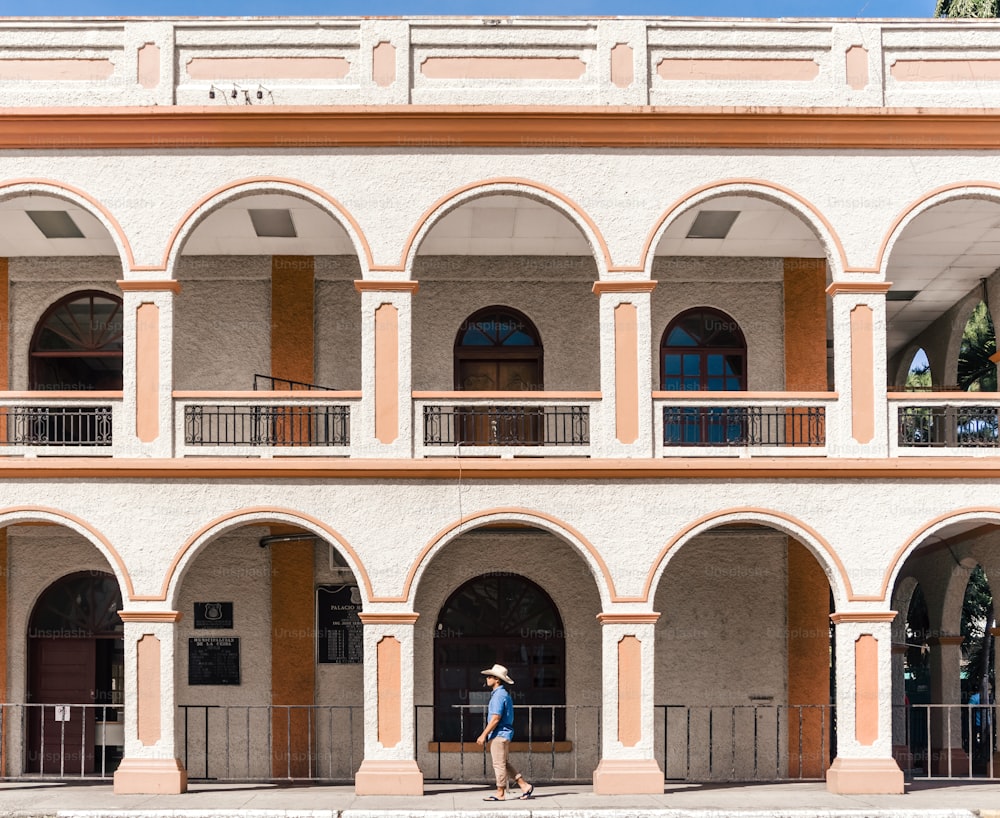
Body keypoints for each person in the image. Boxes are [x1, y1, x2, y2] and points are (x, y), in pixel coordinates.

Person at [476, 663, 535, 801]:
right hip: (504, 733)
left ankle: (500, 793)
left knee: (499, 764)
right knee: (504, 763)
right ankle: (525, 786)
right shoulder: (503, 694)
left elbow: (496, 718)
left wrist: (483, 734)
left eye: (490, 676)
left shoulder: (498, 696)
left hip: (499, 734)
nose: (487, 678)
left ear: (497, 679)